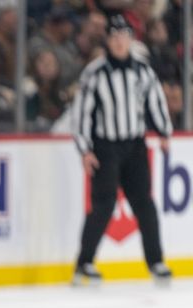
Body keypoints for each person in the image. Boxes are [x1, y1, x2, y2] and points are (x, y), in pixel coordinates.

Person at [71, 15, 173, 285]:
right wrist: (85, 149)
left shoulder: (143, 71)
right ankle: (85, 262)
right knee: (103, 206)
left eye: (123, 36)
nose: (119, 42)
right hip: (106, 147)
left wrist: (163, 132)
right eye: (114, 37)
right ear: (107, 39)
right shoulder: (95, 73)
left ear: (131, 39)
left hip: (135, 145)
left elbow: (156, 103)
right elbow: (82, 114)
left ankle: (156, 261)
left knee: (144, 204)